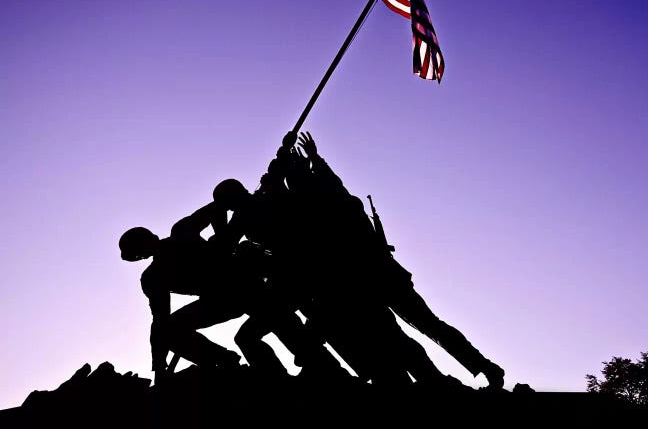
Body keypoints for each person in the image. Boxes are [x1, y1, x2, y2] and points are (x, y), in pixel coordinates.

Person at [295, 131, 506, 390]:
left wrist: (314, 162)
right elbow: (320, 191)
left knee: (430, 328)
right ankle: (453, 376)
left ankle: (485, 368)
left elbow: (328, 187)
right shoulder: (328, 212)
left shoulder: (343, 207)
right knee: (409, 338)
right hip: (367, 287)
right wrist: (310, 164)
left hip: (382, 278)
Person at [119, 202, 286, 384]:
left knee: (269, 325)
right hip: (221, 300)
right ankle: (225, 362)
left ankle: (268, 371)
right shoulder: (154, 276)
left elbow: (219, 207)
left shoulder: (178, 238)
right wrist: (158, 363)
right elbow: (161, 321)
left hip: (242, 284)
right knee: (171, 330)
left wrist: (223, 242)